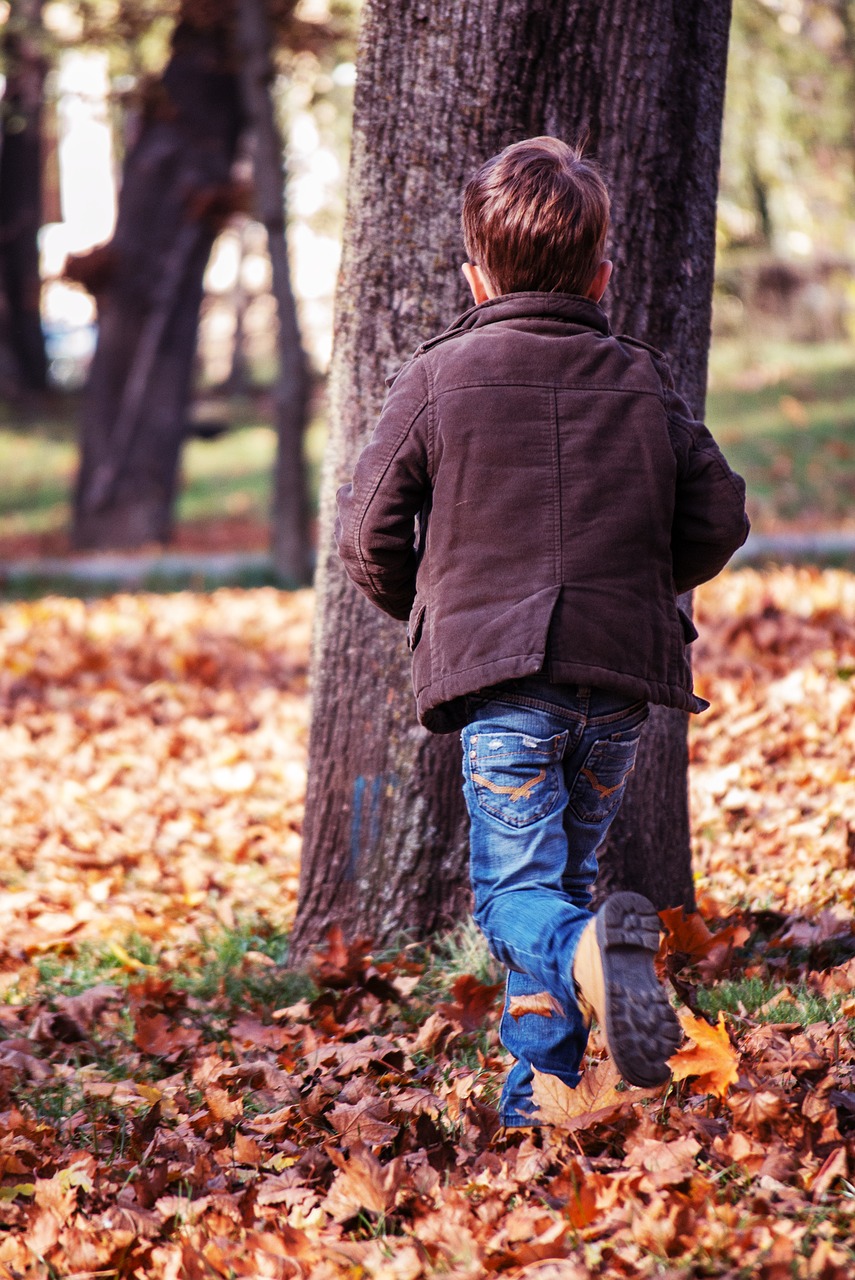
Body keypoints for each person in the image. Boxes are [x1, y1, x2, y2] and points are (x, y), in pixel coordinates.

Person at [335, 136, 749, 1127]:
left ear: (473, 275)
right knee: (560, 877)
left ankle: (582, 964)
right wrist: (639, 585)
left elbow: (366, 536)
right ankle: (541, 1097)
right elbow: (719, 517)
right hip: (614, 685)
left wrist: (446, 616)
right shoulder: (642, 379)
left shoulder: (438, 378)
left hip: (507, 685)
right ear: (604, 271)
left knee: (520, 895)